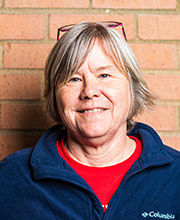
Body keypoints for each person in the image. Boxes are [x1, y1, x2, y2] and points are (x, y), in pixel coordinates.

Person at [0, 21, 179, 220]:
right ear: (55, 95)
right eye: (74, 79)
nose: (89, 92)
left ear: (132, 87)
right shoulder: (11, 177)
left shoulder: (175, 177)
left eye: (104, 75)